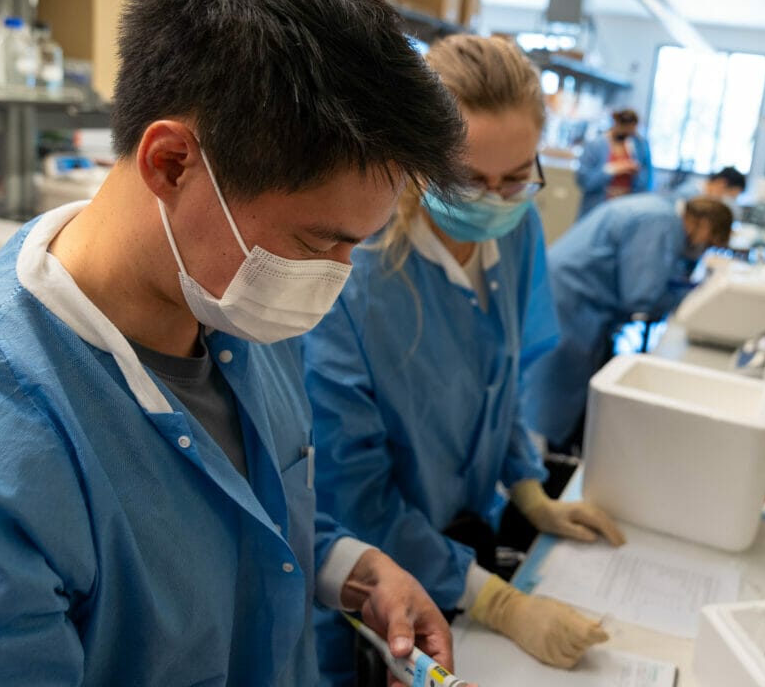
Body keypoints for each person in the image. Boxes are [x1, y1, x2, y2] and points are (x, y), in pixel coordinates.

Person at [0, 0, 468, 686]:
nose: (333, 277)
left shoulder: (235, 305)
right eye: (317, 240)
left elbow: (233, 518)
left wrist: (353, 569)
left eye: (354, 246)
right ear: (171, 162)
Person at [303, 35, 624, 685]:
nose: (495, 198)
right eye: (470, 179)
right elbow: (351, 491)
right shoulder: (351, 276)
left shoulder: (516, 229)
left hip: (463, 531)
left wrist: (530, 490)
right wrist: (493, 600)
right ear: (417, 158)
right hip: (373, 578)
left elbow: (501, 381)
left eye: (516, 177)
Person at [523, 194, 734, 450]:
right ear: (702, 223)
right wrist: (684, 294)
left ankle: (555, 451)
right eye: (708, 241)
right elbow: (640, 295)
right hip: (572, 298)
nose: (703, 248)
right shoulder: (660, 224)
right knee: (553, 388)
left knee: (560, 386)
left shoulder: (662, 211)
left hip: (574, 294)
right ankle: (544, 461)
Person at [576, 108, 653, 218]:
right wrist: (611, 169)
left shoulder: (638, 146)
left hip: (626, 209)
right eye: (625, 130)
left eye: (631, 132)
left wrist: (635, 170)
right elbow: (585, 181)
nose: (628, 135)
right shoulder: (596, 145)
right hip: (597, 207)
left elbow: (646, 181)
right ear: (616, 124)